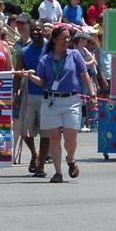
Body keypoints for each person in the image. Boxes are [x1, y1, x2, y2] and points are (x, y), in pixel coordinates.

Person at [16, 25, 94, 183]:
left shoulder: (75, 55)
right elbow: (42, 81)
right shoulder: (45, 59)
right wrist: (30, 76)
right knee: (55, 138)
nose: (67, 40)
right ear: (55, 39)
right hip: (51, 101)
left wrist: (92, 93)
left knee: (71, 138)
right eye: (64, 37)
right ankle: (58, 172)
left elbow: (84, 74)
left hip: (71, 101)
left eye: (68, 38)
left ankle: (71, 159)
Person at [16, 21, 51, 177]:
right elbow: (18, 73)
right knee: (25, 133)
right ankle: (34, 153)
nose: (36, 32)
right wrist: (15, 92)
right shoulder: (23, 51)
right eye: (34, 30)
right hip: (29, 96)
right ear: (29, 32)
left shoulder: (50, 49)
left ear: (43, 31)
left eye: (39, 30)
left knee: (46, 134)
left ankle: (41, 166)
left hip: (47, 97)